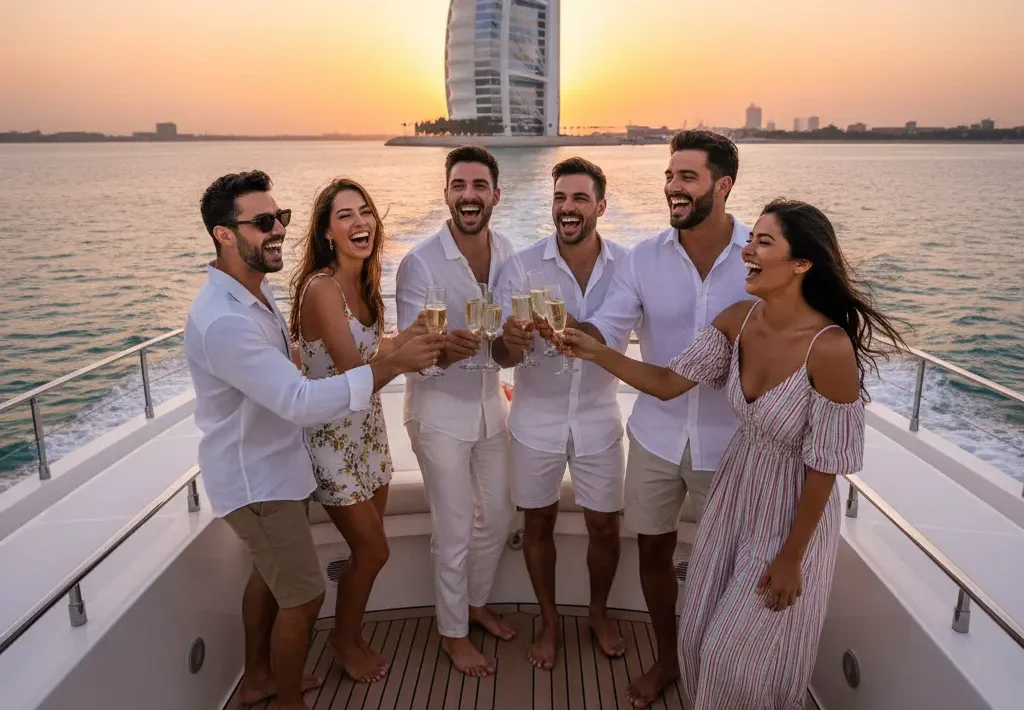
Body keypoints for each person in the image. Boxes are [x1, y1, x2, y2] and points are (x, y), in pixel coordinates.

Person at [562, 198, 900, 709]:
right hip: (733, 495)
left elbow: (827, 465)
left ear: (802, 263)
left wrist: (792, 557)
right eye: (752, 238)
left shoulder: (829, 350)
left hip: (789, 514)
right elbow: (668, 382)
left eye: (765, 242)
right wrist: (595, 351)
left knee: (731, 652)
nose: (748, 250)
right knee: (699, 635)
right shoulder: (739, 320)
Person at [185, 171, 444, 710]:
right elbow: (301, 399)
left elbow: (302, 370)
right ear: (224, 235)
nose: (278, 228)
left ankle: (259, 676)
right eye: (262, 222)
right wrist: (398, 360)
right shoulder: (227, 321)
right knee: (303, 596)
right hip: (259, 476)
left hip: (287, 460)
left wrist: (407, 340)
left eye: (279, 218)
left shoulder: (255, 298)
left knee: (268, 579)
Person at [568, 130, 750, 707]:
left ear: (722, 186)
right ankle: (670, 659)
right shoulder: (644, 257)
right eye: (670, 176)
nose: (673, 187)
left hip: (733, 443)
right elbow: (612, 324)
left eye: (687, 177)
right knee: (652, 551)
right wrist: (576, 335)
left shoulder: (757, 253)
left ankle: (721, 666)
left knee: (732, 564)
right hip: (654, 436)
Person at [288, 178, 428, 683]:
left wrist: (412, 336)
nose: (359, 222)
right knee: (374, 550)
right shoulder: (322, 288)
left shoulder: (366, 283)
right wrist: (407, 358)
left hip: (367, 432)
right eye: (345, 215)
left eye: (365, 211)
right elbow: (354, 372)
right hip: (329, 440)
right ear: (327, 232)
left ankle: (351, 632)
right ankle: (342, 641)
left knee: (368, 550)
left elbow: (372, 351)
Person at [492, 157, 629, 670]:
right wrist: (509, 341)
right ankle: (549, 619)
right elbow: (503, 355)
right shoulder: (521, 265)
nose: (566, 209)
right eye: (559, 198)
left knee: (606, 528)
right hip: (534, 418)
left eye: (578, 199)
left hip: (598, 415)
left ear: (600, 206)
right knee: (538, 524)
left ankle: (597, 612)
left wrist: (556, 317)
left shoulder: (626, 266)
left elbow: (604, 339)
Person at [395, 146, 517, 677]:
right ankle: (452, 633)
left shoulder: (512, 252)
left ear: (495, 194)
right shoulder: (419, 262)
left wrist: (518, 339)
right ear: (446, 194)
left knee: (498, 518)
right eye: (459, 186)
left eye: (479, 186)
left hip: (493, 408)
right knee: (455, 528)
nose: (469, 196)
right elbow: (409, 359)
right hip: (439, 414)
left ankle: (473, 601)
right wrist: (444, 348)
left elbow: (508, 342)